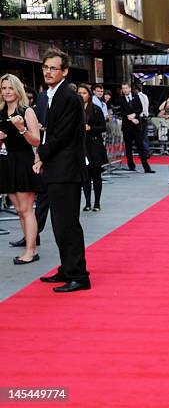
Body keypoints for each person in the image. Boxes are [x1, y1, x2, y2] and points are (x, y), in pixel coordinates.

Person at [34, 48, 90, 293]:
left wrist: (40, 156)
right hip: (58, 168)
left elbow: (61, 135)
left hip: (66, 170)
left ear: (64, 71)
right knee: (59, 223)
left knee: (67, 224)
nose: (48, 72)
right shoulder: (51, 94)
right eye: (45, 67)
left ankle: (78, 275)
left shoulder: (68, 96)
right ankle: (67, 269)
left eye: (53, 68)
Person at [0, 74, 42, 264]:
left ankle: (31, 251)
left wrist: (21, 128)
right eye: (3, 88)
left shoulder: (27, 111)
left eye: (10, 88)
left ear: (18, 90)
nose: (7, 91)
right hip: (7, 162)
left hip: (24, 161)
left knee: (26, 209)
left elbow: (36, 140)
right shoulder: (0, 111)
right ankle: (29, 248)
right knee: (18, 209)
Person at [78, 84, 108, 211]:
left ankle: (97, 202)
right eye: (79, 93)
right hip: (81, 145)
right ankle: (87, 202)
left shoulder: (96, 109)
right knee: (85, 176)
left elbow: (103, 127)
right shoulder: (74, 109)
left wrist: (91, 128)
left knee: (96, 174)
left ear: (89, 95)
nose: (81, 95)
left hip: (95, 144)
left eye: (84, 93)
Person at [116, 82, 155, 173]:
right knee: (128, 147)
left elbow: (140, 108)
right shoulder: (121, 99)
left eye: (126, 88)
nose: (125, 90)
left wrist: (135, 115)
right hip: (127, 126)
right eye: (123, 88)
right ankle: (131, 165)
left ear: (130, 88)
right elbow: (122, 111)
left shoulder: (136, 96)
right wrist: (130, 117)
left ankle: (146, 167)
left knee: (140, 145)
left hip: (137, 125)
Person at [133, 84, 151, 158]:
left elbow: (140, 108)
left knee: (140, 136)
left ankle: (144, 152)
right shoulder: (145, 96)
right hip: (145, 117)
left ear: (136, 90)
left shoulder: (138, 97)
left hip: (140, 117)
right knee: (144, 136)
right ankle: (146, 151)